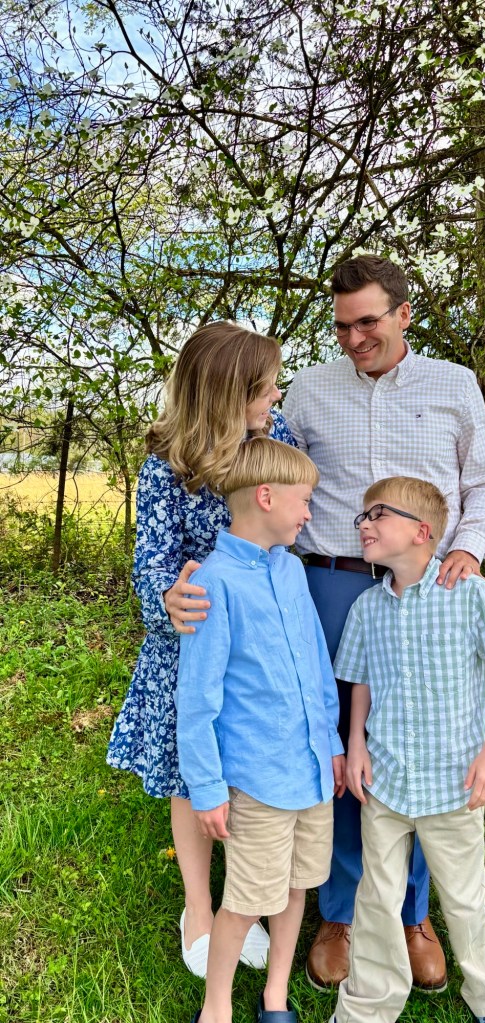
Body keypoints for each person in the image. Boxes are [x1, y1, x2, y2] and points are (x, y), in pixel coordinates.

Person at [166, 255, 485, 991]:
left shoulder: (454, 385)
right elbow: (246, 462)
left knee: (417, 736)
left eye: (368, 322)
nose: (355, 339)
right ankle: (340, 911)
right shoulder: (310, 392)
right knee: (329, 742)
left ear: (404, 313)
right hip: (324, 583)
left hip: (426, 585)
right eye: (342, 326)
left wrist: (471, 549)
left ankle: (411, 913)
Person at [106, 322, 297, 978]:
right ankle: (199, 907)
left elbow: (289, 519)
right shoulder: (167, 461)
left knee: (247, 766)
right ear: (226, 395)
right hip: (193, 641)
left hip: (258, 639)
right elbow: (152, 560)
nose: (276, 395)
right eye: (266, 387)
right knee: (193, 772)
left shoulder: (276, 438)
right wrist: (167, 596)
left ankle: (247, 895)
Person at [331, 476, 485, 1023]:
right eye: (362, 516)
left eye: (377, 515)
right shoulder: (367, 608)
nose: (364, 524)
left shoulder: (470, 595)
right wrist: (356, 743)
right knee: (376, 900)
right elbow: (361, 682)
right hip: (387, 783)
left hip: (454, 784)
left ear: (422, 532)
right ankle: (367, 1006)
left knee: (464, 898)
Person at [175, 437, 345, 1023]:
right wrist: (206, 788)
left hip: (311, 772)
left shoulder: (292, 570)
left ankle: (275, 994)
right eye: (304, 501)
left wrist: (333, 745)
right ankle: (216, 1006)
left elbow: (317, 664)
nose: (308, 515)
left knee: (296, 888)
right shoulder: (213, 583)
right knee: (247, 901)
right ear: (266, 497)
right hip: (258, 780)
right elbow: (197, 699)